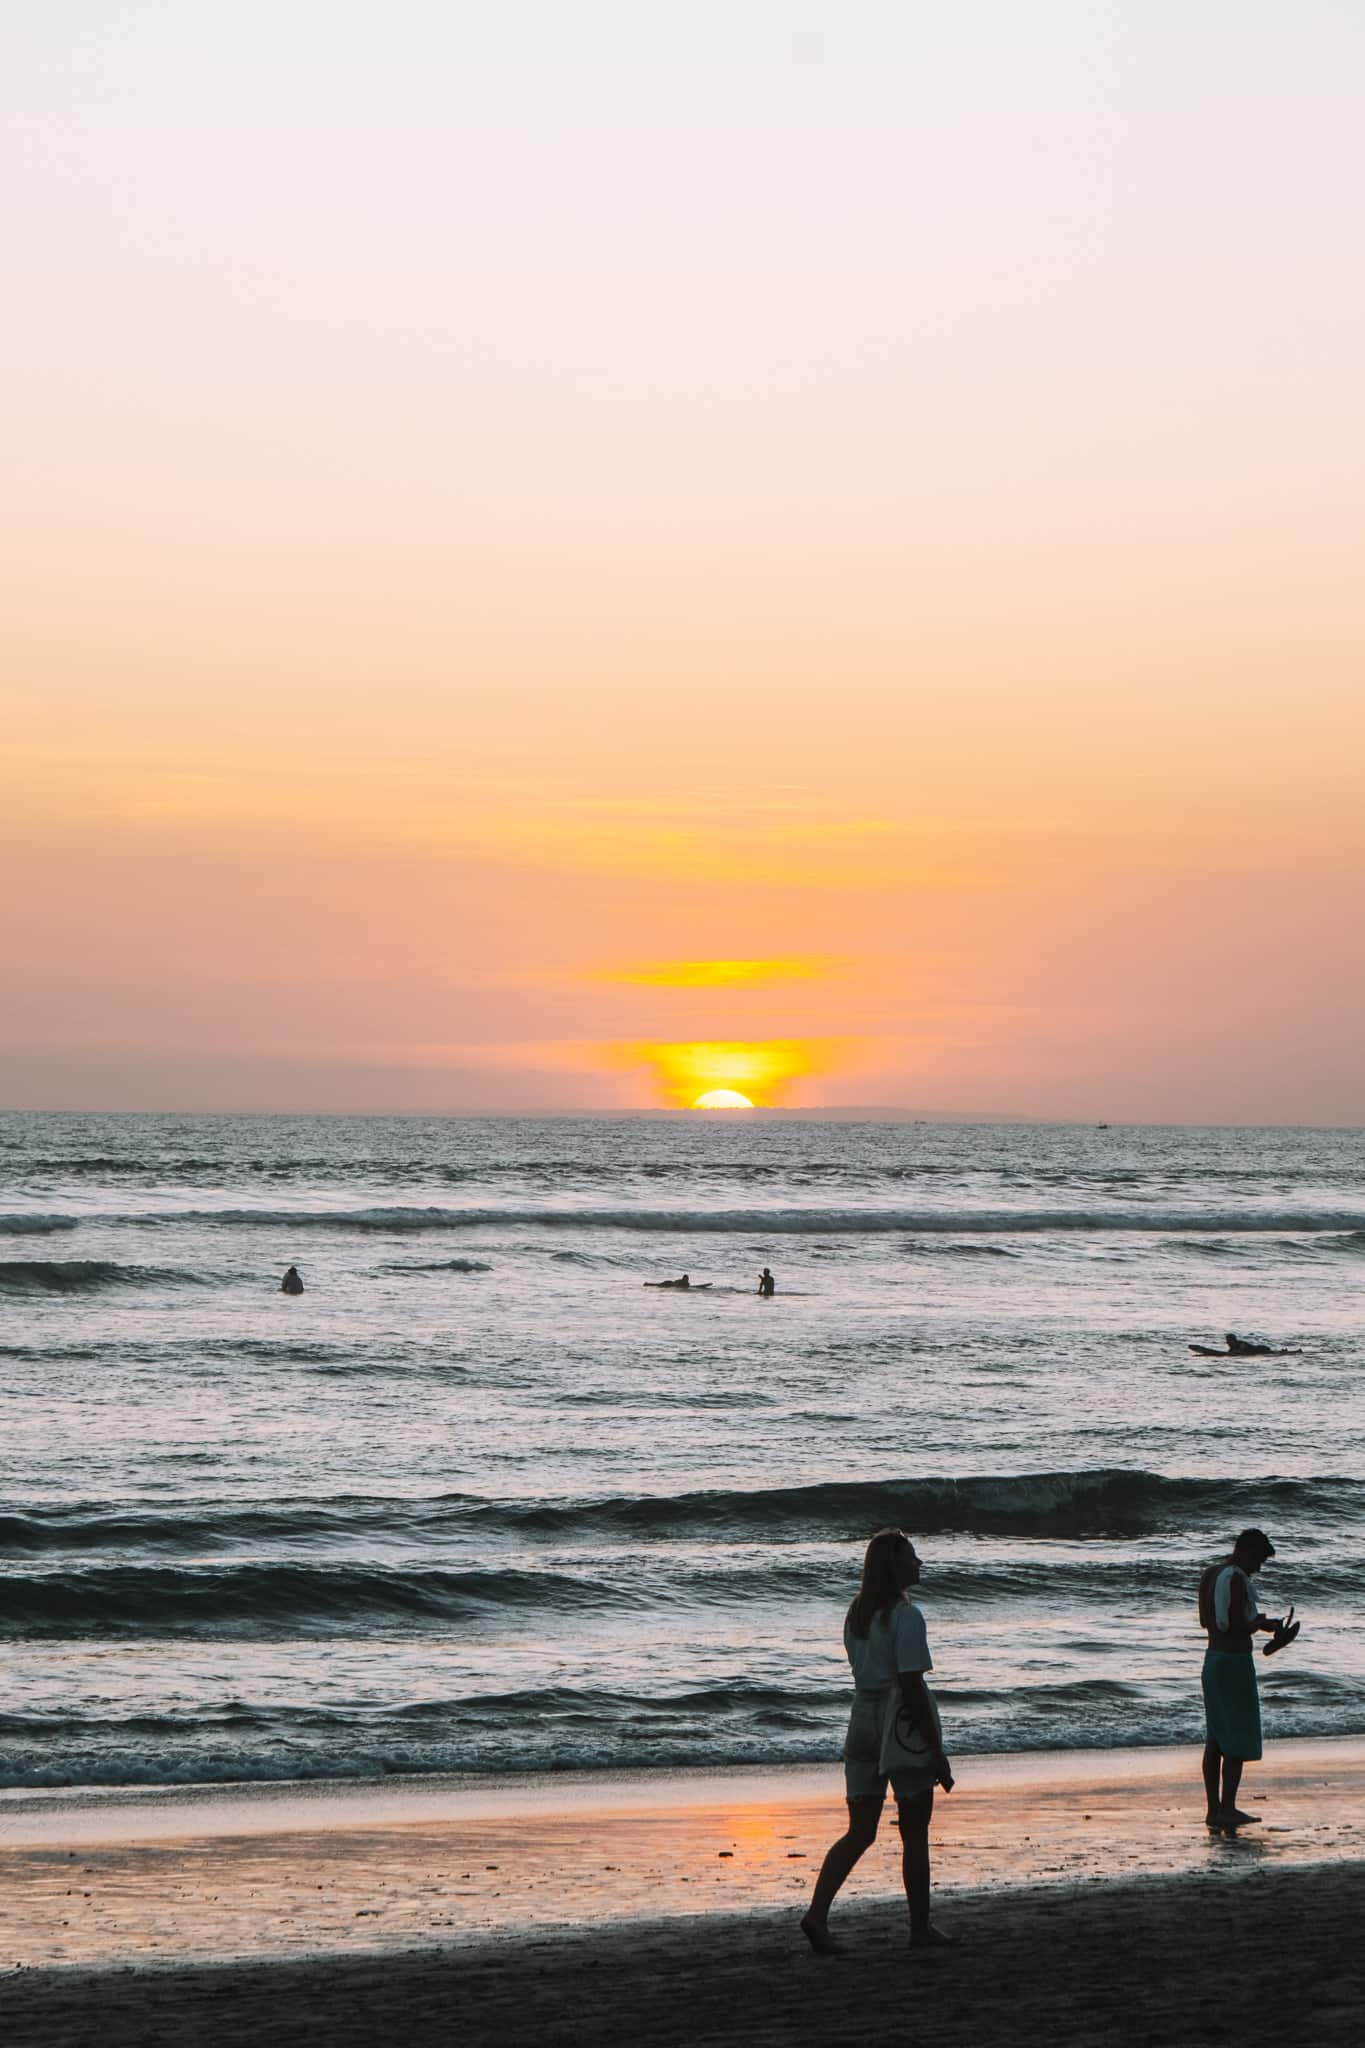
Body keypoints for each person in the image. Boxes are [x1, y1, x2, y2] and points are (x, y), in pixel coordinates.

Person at [801, 1529, 954, 1954]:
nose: (919, 1564)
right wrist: (935, 1750)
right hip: (897, 1724)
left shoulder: (857, 1615)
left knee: (860, 1831)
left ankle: (817, 1914)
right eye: (911, 1557)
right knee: (915, 1828)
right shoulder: (907, 1617)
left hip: (860, 1720)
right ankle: (919, 1928)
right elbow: (910, 1684)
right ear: (893, 1567)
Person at [1199, 1528, 1285, 1829]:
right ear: (1246, 1551)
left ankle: (1214, 1810)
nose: (1259, 1568)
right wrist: (1261, 1624)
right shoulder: (1235, 1578)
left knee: (1215, 1738)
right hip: (1234, 1664)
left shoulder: (1210, 1574)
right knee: (1235, 1738)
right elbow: (1235, 1627)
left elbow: (1207, 1621)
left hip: (1212, 1661)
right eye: (1259, 1560)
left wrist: (1255, 1624)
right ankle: (1229, 1808)